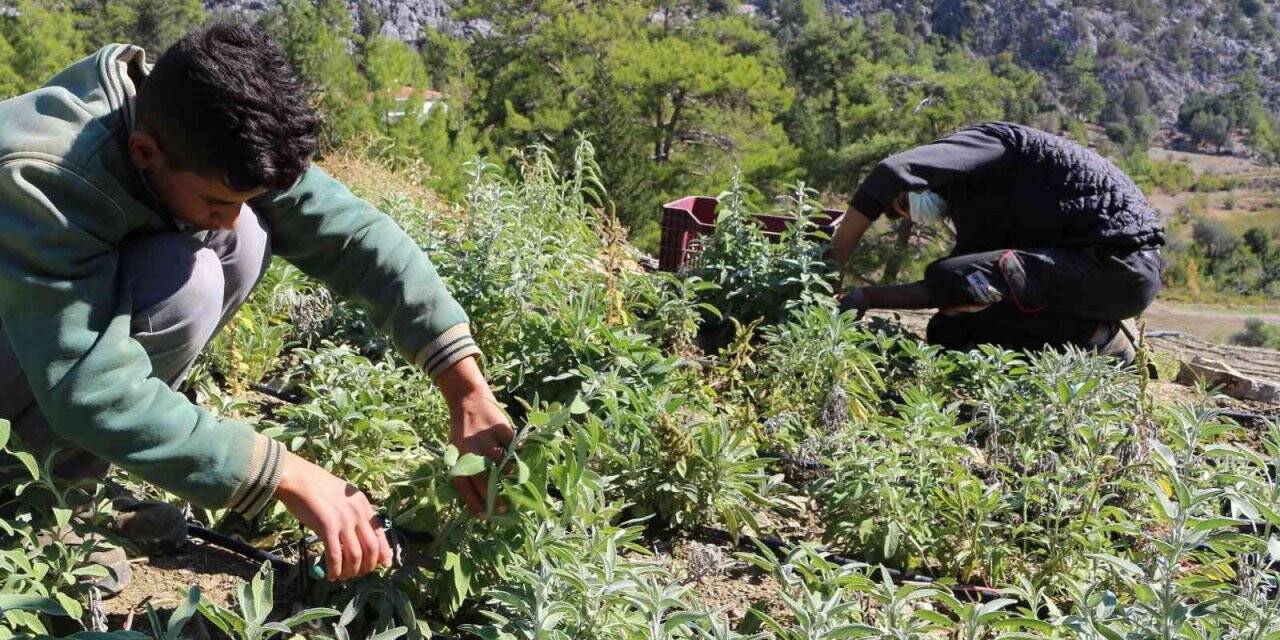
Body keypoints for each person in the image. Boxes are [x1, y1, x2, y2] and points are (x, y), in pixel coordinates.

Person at [0, 23, 513, 591]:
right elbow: (87, 388)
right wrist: (282, 473)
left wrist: (465, 389)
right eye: (217, 200)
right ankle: (25, 501)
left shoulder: (201, 126)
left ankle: (66, 478)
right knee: (191, 279)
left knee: (240, 240)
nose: (227, 212)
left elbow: (352, 239)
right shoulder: (42, 179)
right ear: (145, 152)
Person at [830, 121, 1165, 362]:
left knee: (955, 279)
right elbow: (956, 290)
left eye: (905, 201)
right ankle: (1087, 340)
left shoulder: (993, 142)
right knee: (951, 329)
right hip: (1087, 274)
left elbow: (889, 172)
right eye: (903, 212)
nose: (913, 213)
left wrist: (844, 275)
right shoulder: (980, 211)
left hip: (1120, 263)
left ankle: (1101, 339)